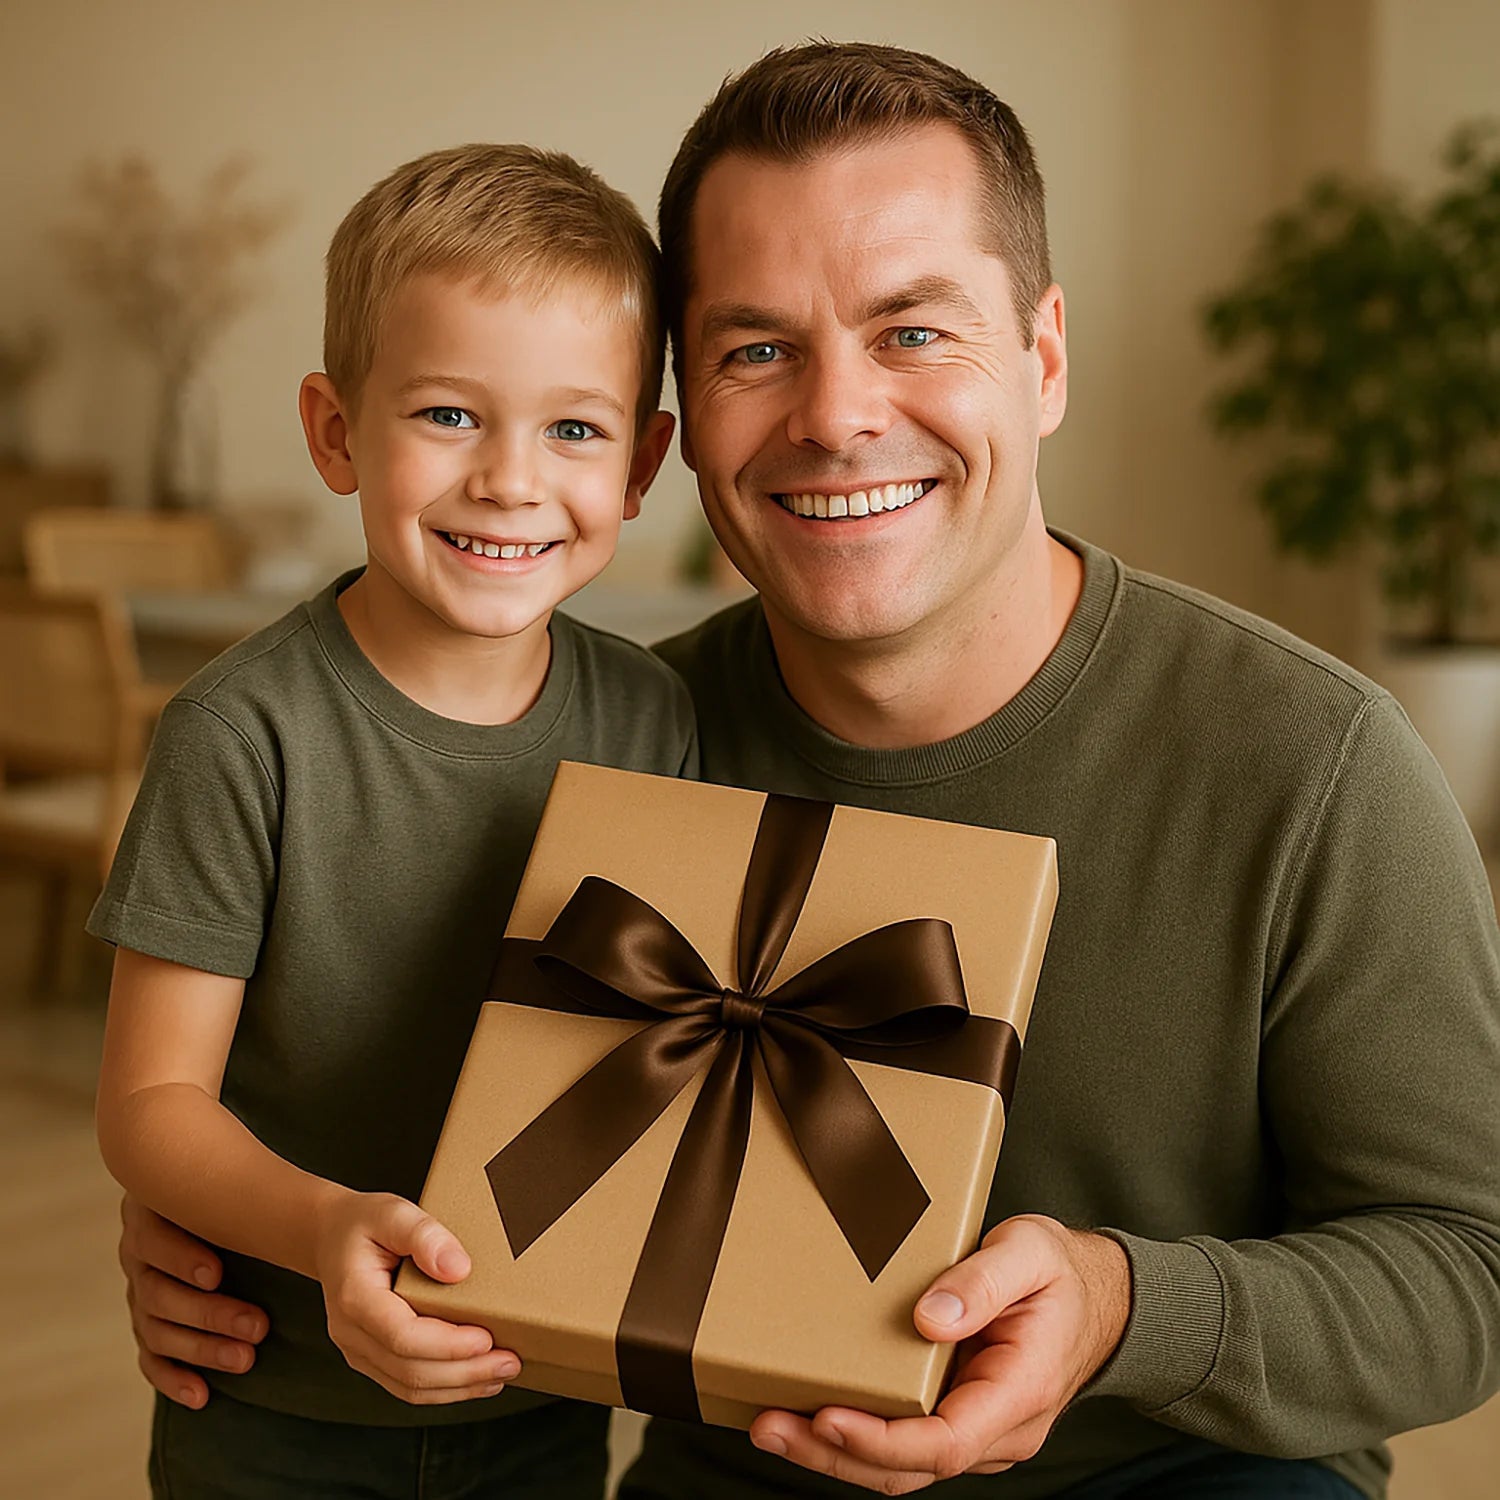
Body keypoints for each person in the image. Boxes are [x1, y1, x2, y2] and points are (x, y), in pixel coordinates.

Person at [115, 43, 1500, 1500]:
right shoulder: (642, 734)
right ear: (685, 426)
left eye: (913, 331)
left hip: (1179, 1476)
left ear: (1043, 359)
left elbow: (1469, 1270)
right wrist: (233, 1230)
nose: (836, 415)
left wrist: (1121, 1308)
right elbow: (356, 1030)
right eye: (756, 349)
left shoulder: (1313, 762)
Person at [91, 142, 691, 1499]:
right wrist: (324, 1229)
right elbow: (149, 1105)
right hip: (270, 1400)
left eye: (575, 429)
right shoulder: (241, 735)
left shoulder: (661, 723)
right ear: (335, 430)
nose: (509, 480)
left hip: (544, 1401)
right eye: (447, 415)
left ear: (645, 460)